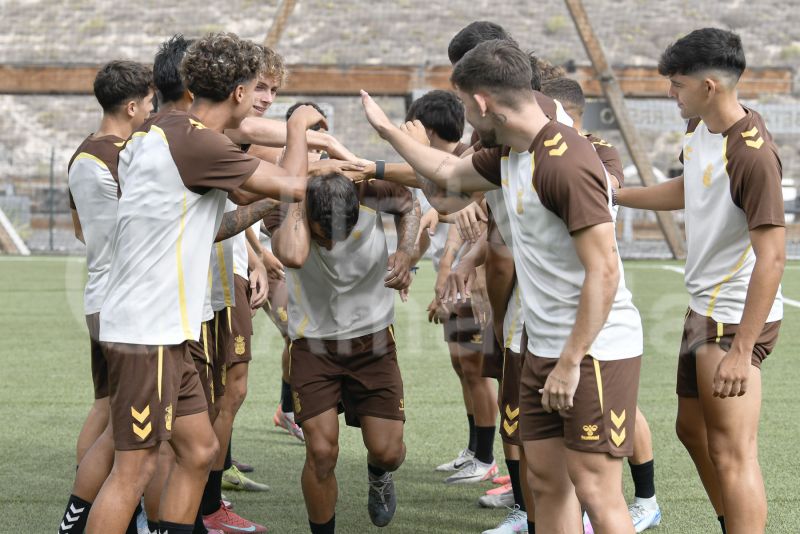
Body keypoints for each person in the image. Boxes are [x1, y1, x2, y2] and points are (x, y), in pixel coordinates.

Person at [362, 39, 643, 534]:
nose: (468, 119)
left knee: (595, 488)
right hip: (540, 344)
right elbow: (448, 173)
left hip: (592, 353)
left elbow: (604, 271)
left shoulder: (565, 161)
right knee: (545, 482)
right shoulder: (512, 152)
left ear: (484, 103)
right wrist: (387, 132)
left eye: (468, 106)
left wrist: (571, 361)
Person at [84, 32, 324, 534]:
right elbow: (294, 184)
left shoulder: (160, 129)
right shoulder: (196, 143)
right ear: (238, 94)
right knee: (134, 471)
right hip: (148, 330)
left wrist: (264, 201)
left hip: (169, 330)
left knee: (198, 449)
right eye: (255, 89)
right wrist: (299, 126)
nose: (261, 104)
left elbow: (212, 220)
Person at [616, 28, 784, 534]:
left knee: (732, 452)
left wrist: (741, 348)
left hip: (733, 319)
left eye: (677, 84)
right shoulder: (698, 128)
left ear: (709, 86)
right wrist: (613, 197)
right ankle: (730, 520)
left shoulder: (753, 154)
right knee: (690, 430)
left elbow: (772, 258)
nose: (671, 92)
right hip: (702, 309)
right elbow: (686, 189)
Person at [266, 172, 420, 533]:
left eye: (341, 234)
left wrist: (405, 250)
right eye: (324, 236)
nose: (332, 246)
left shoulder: (371, 187)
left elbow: (410, 205)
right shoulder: (290, 204)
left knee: (388, 452)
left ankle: (378, 473)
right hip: (313, 343)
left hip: (373, 339)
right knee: (320, 454)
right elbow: (283, 252)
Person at [542, 75, 661, 533]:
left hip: (597, 331)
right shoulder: (518, 153)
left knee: (599, 472)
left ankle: (646, 498)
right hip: (540, 322)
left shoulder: (587, 151)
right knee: (550, 474)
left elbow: (609, 181)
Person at [58, 58, 154, 534]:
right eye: (151, 102)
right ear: (133, 105)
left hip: (98, 293)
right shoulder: (128, 155)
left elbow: (81, 230)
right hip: (129, 301)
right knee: (125, 423)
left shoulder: (81, 153)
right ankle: (98, 509)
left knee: (107, 407)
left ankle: (79, 513)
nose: (154, 110)